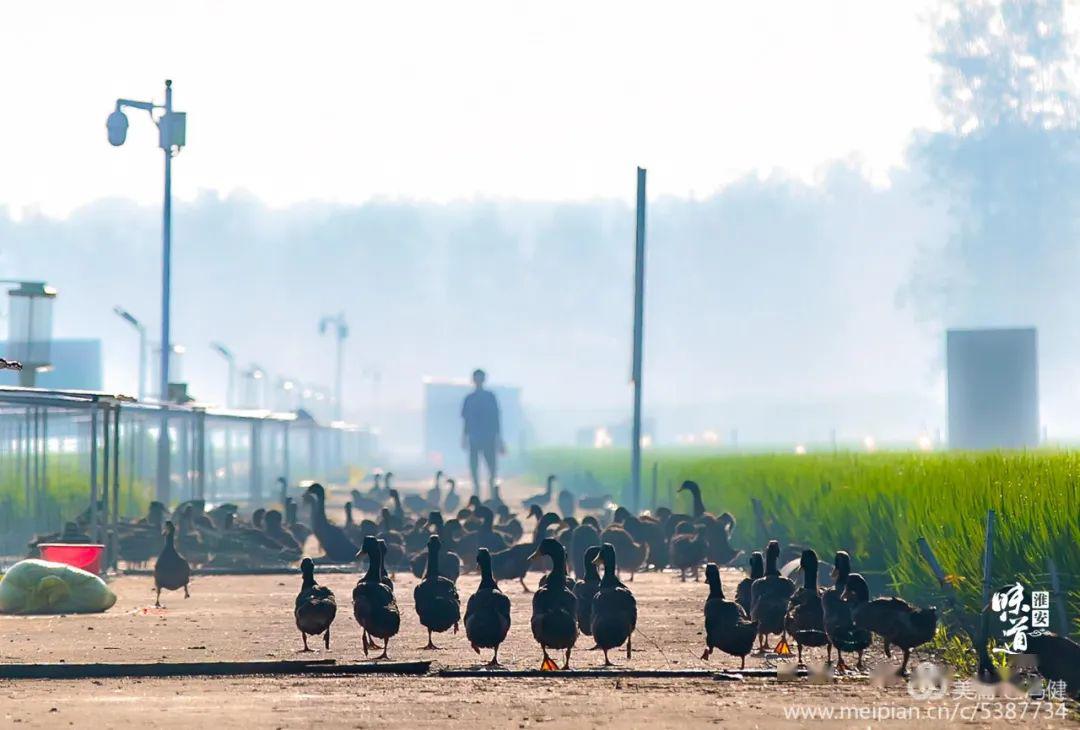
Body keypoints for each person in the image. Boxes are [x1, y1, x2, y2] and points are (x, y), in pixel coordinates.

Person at [461, 369, 504, 497]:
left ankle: (492, 494)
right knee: (475, 469)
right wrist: (464, 437)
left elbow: (496, 419)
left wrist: (499, 438)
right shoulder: (470, 399)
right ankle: (477, 494)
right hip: (476, 438)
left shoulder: (489, 397)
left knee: (491, 469)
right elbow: (466, 420)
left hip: (488, 437)